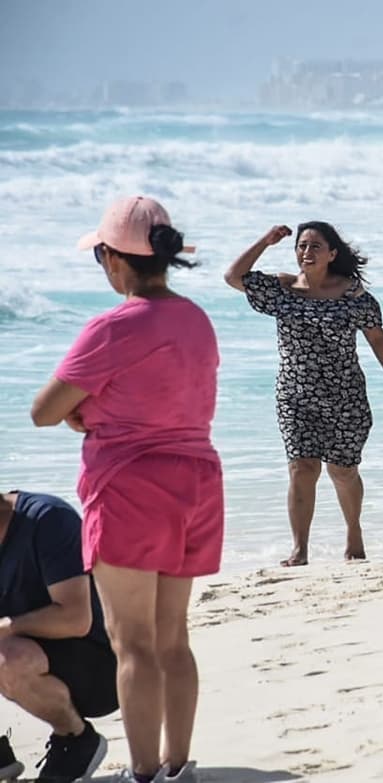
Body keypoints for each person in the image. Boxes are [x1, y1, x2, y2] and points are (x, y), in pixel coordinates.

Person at [30, 195, 223, 783]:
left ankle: (142, 774)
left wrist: (84, 414)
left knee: (130, 641)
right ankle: (178, 766)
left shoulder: (112, 327)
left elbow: (44, 410)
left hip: (130, 487)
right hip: (198, 481)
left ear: (114, 260)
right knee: (173, 639)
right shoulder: (197, 319)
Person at [224, 222, 383, 566]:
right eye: (301, 246)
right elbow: (233, 276)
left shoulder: (353, 296)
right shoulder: (282, 289)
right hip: (295, 394)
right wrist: (266, 240)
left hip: (345, 394)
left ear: (332, 254)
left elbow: (377, 339)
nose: (306, 252)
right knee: (301, 467)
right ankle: (300, 549)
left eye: (315, 246)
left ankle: (353, 532)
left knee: (343, 470)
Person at [0, 490, 117, 783]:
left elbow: (76, 619)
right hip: (33, 651)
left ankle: (75, 739)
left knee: (6, 656)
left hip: (99, 666)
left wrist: (5, 627)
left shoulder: (48, 519)